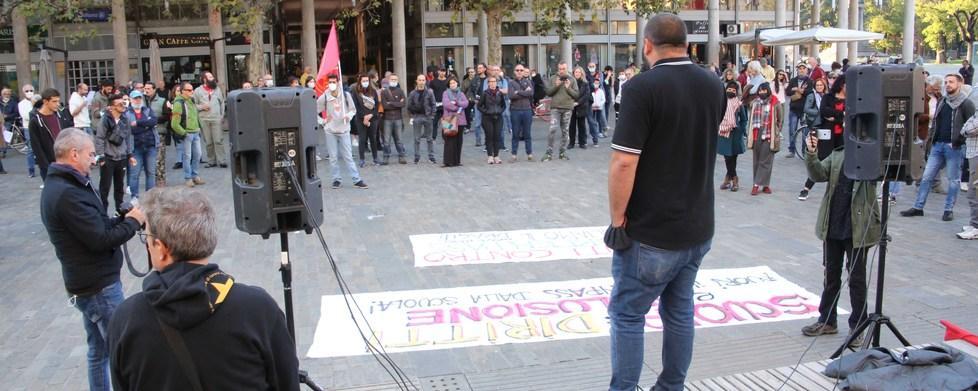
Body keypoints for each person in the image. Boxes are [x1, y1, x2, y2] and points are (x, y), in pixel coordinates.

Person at [606, 14, 724, 391]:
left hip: (651, 230)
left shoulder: (642, 87)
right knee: (679, 311)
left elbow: (624, 160)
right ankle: (672, 385)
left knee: (627, 314)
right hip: (697, 224)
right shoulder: (712, 82)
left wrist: (618, 218)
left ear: (647, 44)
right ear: (687, 44)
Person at [106, 187, 299, 390]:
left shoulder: (125, 319)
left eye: (147, 237)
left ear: (161, 248)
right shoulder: (257, 309)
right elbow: (287, 382)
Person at [40, 128, 146, 391]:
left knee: (99, 351)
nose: (93, 159)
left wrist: (120, 220)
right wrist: (133, 222)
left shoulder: (68, 185)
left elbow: (95, 226)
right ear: (74, 154)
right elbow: (99, 240)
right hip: (97, 286)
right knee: (122, 350)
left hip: (86, 283)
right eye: (89, 154)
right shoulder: (67, 193)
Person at [800, 126, 878, 346]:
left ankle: (858, 326)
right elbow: (817, 174)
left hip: (858, 227)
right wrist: (812, 152)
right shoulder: (838, 154)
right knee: (831, 276)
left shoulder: (871, 159)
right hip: (833, 225)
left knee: (857, 279)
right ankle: (827, 320)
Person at [901, 73, 975, 221]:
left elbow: (972, 124)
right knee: (926, 177)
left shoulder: (965, 103)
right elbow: (935, 122)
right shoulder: (943, 101)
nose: (948, 84)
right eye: (946, 82)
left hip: (953, 147)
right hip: (937, 145)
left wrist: (959, 140)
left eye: (951, 82)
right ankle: (918, 207)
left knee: (953, 179)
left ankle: (948, 210)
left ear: (959, 84)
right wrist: (932, 140)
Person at [319, 74, 368, 189]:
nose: (332, 84)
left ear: (338, 82)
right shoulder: (325, 96)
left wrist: (348, 116)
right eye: (330, 82)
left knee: (348, 156)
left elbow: (353, 110)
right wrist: (323, 121)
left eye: (334, 82)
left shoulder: (345, 95)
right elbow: (314, 110)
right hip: (330, 130)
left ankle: (356, 179)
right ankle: (336, 179)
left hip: (344, 130)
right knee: (333, 157)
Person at [93, 93, 135, 213]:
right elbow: (99, 138)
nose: (123, 106)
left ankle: (119, 211)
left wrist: (130, 154)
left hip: (121, 157)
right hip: (108, 157)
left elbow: (128, 138)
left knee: (120, 187)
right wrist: (101, 156)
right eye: (120, 104)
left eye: (124, 103)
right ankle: (103, 213)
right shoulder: (105, 120)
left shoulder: (125, 119)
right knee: (105, 188)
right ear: (111, 107)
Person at [29, 88, 75, 181]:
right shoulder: (35, 121)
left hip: (65, 161)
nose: (57, 104)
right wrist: (46, 167)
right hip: (50, 164)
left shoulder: (60, 116)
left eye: (58, 101)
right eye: (54, 101)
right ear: (45, 101)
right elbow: (37, 147)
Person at [746, 82, 783, 196]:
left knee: (766, 160)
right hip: (756, 132)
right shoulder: (754, 102)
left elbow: (780, 120)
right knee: (757, 159)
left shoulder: (775, 102)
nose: (762, 93)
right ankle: (765, 184)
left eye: (764, 90)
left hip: (769, 133)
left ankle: (757, 185)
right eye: (760, 91)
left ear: (768, 91)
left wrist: (776, 132)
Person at [798, 77, 830, 201]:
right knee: (818, 155)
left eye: (821, 85)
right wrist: (819, 112)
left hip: (828, 128)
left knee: (828, 157)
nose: (819, 87)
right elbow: (806, 109)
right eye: (817, 85)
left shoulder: (828, 97)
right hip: (816, 126)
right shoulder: (812, 96)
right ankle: (806, 188)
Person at [171, 82, 205, 188]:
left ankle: (195, 175)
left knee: (198, 155)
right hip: (187, 133)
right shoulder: (178, 103)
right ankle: (188, 177)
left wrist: (199, 128)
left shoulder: (191, 100)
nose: (192, 92)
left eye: (192, 89)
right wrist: (184, 133)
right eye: (189, 90)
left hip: (195, 132)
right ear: (182, 91)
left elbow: (195, 116)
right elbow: (174, 124)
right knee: (187, 156)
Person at [127, 90, 158, 199]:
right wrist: (146, 125)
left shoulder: (148, 110)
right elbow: (129, 129)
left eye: (139, 98)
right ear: (130, 100)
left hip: (150, 145)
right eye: (135, 98)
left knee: (151, 173)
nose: (138, 100)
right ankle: (134, 197)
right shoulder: (127, 113)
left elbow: (154, 121)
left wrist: (138, 123)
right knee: (134, 174)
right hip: (135, 148)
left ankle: (150, 198)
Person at [545, 61, 579, 161]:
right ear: (558, 68)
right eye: (560, 69)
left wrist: (568, 88)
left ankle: (562, 152)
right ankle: (549, 152)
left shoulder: (572, 79)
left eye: (563, 69)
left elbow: (576, 95)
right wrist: (556, 85)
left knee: (565, 131)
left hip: (567, 108)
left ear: (566, 68)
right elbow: (548, 92)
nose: (561, 71)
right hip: (555, 108)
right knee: (552, 129)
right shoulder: (553, 78)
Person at [718, 81, 747, 192]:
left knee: (733, 157)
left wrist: (741, 130)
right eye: (729, 89)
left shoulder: (739, 104)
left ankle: (729, 179)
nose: (730, 91)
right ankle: (733, 179)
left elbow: (744, 119)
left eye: (733, 90)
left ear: (736, 92)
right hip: (723, 133)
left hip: (735, 133)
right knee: (727, 158)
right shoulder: (720, 102)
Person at [193, 71, 226, 168]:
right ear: (204, 79)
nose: (213, 78)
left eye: (212, 76)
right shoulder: (197, 91)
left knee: (218, 140)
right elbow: (193, 105)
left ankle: (222, 160)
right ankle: (211, 161)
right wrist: (201, 107)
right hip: (204, 119)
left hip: (216, 118)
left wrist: (222, 115)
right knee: (208, 141)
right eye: (210, 77)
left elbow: (222, 103)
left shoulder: (217, 89)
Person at [143, 82, 170, 187]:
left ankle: (161, 179)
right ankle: (151, 179)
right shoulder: (142, 101)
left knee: (159, 158)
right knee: (148, 158)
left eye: (149, 88)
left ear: (154, 89)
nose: (147, 90)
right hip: (145, 133)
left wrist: (153, 120)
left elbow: (167, 116)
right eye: (145, 88)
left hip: (159, 132)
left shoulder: (162, 101)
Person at [353, 74, 383, 167]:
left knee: (373, 138)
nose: (365, 82)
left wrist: (371, 115)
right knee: (362, 139)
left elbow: (377, 105)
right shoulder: (356, 92)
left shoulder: (373, 91)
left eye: (367, 80)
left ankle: (375, 158)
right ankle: (362, 159)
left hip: (373, 118)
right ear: (360, 81)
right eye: (363, 81)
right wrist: (364, 117)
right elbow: (355, 106)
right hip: (360, 119)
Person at [407, 74, 437, 164]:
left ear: (425, 81)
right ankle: (417, 156)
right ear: (417, 81)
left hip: (428, 117)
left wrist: (432, 116)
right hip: (417, 117)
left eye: (423, 80)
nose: (421, 82)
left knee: (429, 138)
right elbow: (409, 106)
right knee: (416, 138)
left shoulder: (430, 92)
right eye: (419, 80)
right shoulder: (412, 93)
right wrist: (412, 117)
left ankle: (431, 156)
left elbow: (433, 104)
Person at [380, 73, 408, 164]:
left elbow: (403, 104)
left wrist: (391, 103)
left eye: (395, 79)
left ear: (397, 81)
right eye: (392, 79)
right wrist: (397, 103)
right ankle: (386, 157)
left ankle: (402, 156)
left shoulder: (400, 91)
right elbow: (385, 106)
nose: (394, 81)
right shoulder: (384, 92)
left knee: (399, 139)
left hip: (398, 118)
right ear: (388, 80)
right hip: (387, 119)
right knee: (386, 140)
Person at [508, 65, 534, 162]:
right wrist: (524, 92)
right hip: (515, 110)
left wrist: (518, 92)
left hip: (527, 110)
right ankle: (514, 154)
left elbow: (531, 93)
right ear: (514, 71)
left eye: (521, 70)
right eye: (517, 70)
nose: (519, 72)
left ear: (524, 72)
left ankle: (529, 153)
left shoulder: (528, 82)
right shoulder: (511, 83)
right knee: (515, 133)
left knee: (527, 133)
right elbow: (511, 95)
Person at [478, 75, 506, 164]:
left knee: (497, 136)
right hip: (487, 118)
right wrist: (486, 111)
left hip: (498, 117)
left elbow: (503, 105)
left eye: (494, 82)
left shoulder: (499, 93)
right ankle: (490, 156)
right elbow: (479, 105)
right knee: (489, 136)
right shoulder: (485, 93)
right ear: (488, 83)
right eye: (491, 82)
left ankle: (496, 156)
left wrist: (500, 111)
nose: (493, 83)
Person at [786, 64, 813, 157]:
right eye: (800, 69)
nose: (801, 70)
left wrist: (800, 90)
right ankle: (792, 150)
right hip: (793, 108)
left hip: (805, 109)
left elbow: (810, 92)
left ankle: (804, 151)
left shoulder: (809, 81)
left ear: (807, 71)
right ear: (797, 70)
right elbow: (788, 91)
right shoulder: (793, 80)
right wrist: (796, 89)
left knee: (805, 131)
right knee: (792, 130)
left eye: (803, 69)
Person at [441, 78, 468, 167]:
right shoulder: (445, 93)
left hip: (460, 120)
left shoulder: (461, 93)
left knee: (458, 141)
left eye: (454, 82)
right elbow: (446, 104)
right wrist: (457, 108)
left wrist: (457, 102)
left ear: (457, 84)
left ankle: (457, 161)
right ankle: (448, 161)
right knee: (449, 140)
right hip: (448, 119)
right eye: (451, 83)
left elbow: (466, 103)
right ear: (448, 85)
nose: (452, 84)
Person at [960, 112, 978, 239]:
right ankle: (973, 223)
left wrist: (967, 128)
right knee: (972, 191)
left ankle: (976, 226)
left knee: (975, 191)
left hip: (977, 154)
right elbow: (964, 127)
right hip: (972, 153)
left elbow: (971, 129)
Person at [567, 66, 592, 150]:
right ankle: (571, 143)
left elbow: (586, 95)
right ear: (573, 73)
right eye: (575, 72)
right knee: (572, 126)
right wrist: (572, 102)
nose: (577, 73)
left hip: (581, 106)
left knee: (582, 125)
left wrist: (577, 102)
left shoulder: (585, 83)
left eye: (578, 72)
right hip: (572, 106)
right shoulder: (570, 82)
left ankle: (582, 142)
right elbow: (568, 93)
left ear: (581, 73)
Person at [18, 83, 37, 177]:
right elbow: (25, 116)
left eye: (31, 90)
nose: (29, 92)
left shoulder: (38, 100)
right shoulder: (21, 104)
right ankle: (31, 170)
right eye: (27, 91)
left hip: (39, 127)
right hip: (28, 128)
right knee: (31, 149)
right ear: (23, 92)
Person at [467, 63, 488, 146]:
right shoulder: (475, 80)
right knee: (477, 123)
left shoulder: (488, 79)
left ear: (484, 69)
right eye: (478, 68)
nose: (478, 69)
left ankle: (487, 140)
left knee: (487, 123)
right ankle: (478, 141)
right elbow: (470, 92)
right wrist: (473, 99)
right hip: (478, 103)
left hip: (487, 104)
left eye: (480, 68)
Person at [430, 68, 449, 140]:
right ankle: (433, 136)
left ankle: (446, 135)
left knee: (446, 121)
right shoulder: (433, 82)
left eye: (444, 71)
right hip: (436, 104)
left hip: (445, 104)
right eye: (441, 71)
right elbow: (430, 92)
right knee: (434, 121)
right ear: (438, 72)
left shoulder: (448, 81)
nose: (442, 73)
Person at [587, 75, 606, 147]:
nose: (596, 84)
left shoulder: (601, 91)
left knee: (598, 120)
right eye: (595, 83)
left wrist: (599, 105)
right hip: (592, 107)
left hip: (599, 108)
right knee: (593, 120)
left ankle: (600, 131)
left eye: (597, 83)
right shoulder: (591, 91)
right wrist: (592, 105)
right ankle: (592, 133)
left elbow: (603, 99)